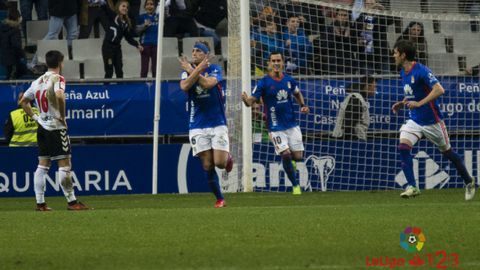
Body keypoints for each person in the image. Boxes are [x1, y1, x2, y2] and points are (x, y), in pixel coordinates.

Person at [391, 40, 476, 200]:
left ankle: (468, 181)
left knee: (448, 153)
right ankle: (412, 186)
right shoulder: (403, 72)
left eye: (395, 52)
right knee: (403, 147)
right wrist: (402, 103)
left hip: (433, 121)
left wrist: (419, 103)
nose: (393, 55)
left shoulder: (421, 70)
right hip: (415, 120)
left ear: (403, 55)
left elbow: (439, 89)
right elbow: (414, 94)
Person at [19, 50, 91, 211]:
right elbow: (59, 96)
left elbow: (23, 101)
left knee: (42, 165)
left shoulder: (37, 81)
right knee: (64, 164)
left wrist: (36, 118)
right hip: (55, 127)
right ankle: (72, 202)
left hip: (42, 127)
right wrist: (62, 116)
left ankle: (40, 203)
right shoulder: (58, 78)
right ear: (60, 63)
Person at [241, 51, 310, 195]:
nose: (276, 63)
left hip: (291, 125)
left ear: (283, 62)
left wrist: (302, 105)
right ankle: (295, 186)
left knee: (298, 157)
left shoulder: (289, 80)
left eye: (279, 60)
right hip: (275, 127)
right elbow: (250, 102)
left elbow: (297, 93)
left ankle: (291, 163)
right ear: (269, 64)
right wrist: (246, 100)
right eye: (273, 61)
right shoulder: (264, 82)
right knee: (285, 154)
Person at [178, 40, 233, 208]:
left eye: (198, 51)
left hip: (217, 122)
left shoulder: (215, 69)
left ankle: (228, 158)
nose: (194, 53)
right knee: (207, 164)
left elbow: (208, 84)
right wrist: (195, 70)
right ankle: (220, 199)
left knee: (220, 163)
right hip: (197, 124)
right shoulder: (186, 73)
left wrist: (192, 69)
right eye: (193, 50)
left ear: (205, 55)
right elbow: (185, 86)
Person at [102, 0, 143, 78]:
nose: (125, 8)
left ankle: (120, 87)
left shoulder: (126, 23)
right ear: (118, 7)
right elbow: (106, 8)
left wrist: (137, 45)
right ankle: (106, 88)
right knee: (109, 71)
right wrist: (103, 3)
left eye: (127, 7)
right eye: (123, 6)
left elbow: (128, 37)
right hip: (108, 48)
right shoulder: (113, 16)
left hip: (117, 48)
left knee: (119, 70)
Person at [332, 76, 376, 141]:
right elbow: (349, 121)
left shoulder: (358, 97)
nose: (375, 89)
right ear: (367, 86)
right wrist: (353, 140)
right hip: (347, 140)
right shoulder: (356, 98)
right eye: (374, 86)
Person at [0, 7, 28, 79]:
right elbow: (16, 45)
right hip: (13, 58)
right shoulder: (15, 30)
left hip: (4, 57)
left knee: (9, 75)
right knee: (13, 78)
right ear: (18, 18)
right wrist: (22, 55)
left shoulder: (3, 27)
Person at [137, 0, 158, 78]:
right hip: (145, 44)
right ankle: (142, 87)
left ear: (155, 6)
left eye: (152, 4)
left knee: (156, 67)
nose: (149, 6)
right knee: (144, 67)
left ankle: (156, 86)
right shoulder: (141, 17)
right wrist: (144, 25)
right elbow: (136, 31)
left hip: (156, 44)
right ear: (144, 6)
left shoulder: (159, 16)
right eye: (147, 4)